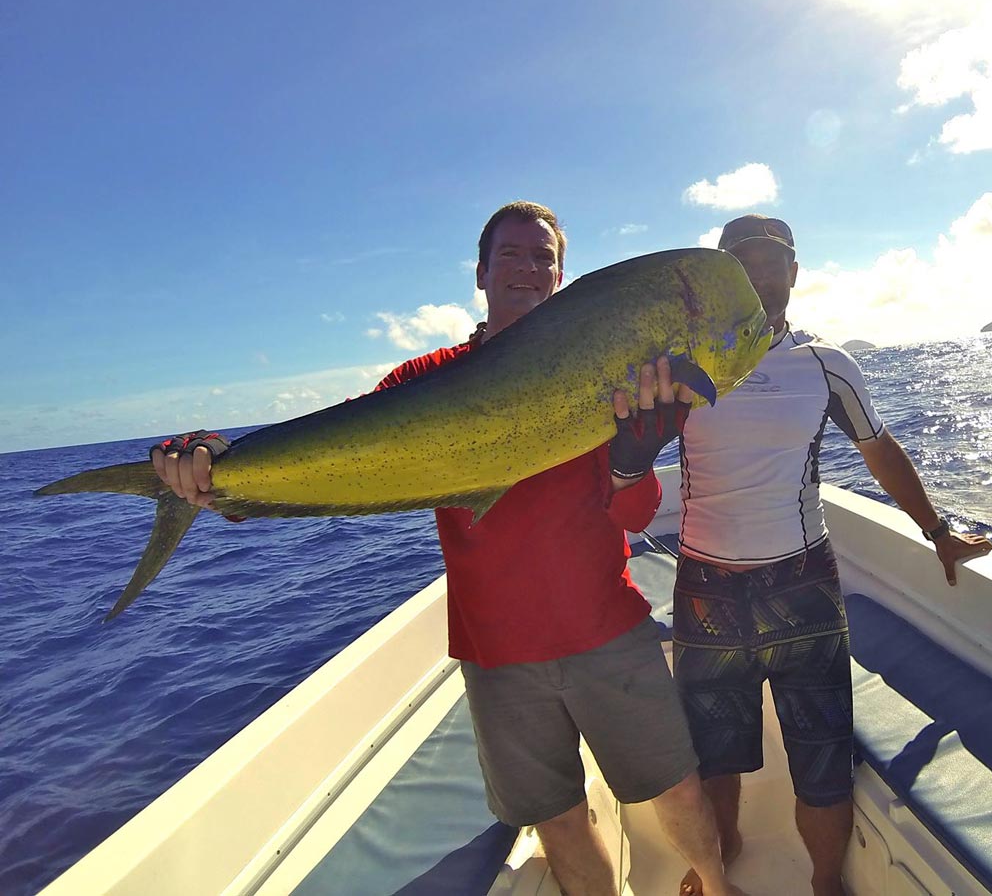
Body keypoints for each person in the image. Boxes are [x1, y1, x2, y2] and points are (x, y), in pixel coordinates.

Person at [152, 201, 741, 896]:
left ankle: (716, 884)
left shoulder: (612, 371)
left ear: (560, 275)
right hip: (496, 657)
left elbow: (638, 510)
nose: (528, 267)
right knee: (560, 823)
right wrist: (216, 467)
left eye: (543, 256)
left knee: (676, 792)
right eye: (512, 254)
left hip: (605, 630)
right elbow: (343, 463)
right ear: (482, 271)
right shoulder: (424, 379)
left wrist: (636, 455)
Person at [672, 214, 992, 896]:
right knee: (713, 756)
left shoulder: (826, 363)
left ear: (794, 270)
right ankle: (719, 856)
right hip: (706, 589)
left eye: (772, 258)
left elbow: (880, 452)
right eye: (743, 260)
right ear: (718, 278)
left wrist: (939, 533)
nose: (759, 271)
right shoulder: (677, 367)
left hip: (803, 589)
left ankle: (825, 884)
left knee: (823, 761)